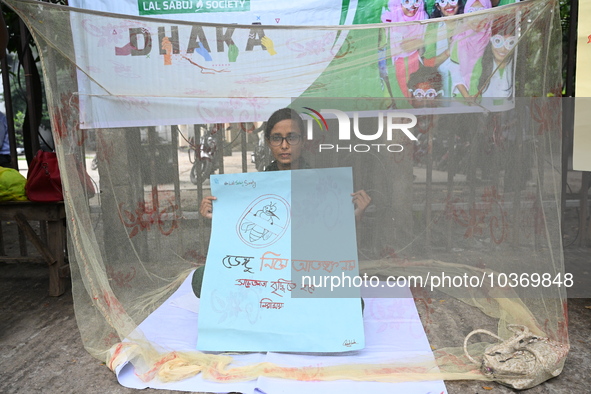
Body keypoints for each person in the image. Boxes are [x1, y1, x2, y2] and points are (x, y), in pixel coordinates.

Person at [200, 108, 372, 221]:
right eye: (276, 138)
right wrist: (216, 216)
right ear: (268, 142)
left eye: (292, 137)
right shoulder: (255, 187)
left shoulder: (323, 185)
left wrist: (357, 213)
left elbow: (332, 229)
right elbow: (244, 226)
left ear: (303, 141)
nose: (284, 145)